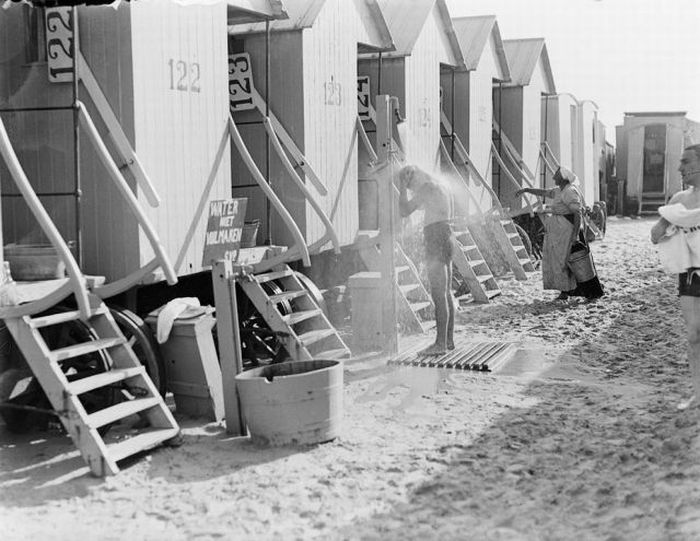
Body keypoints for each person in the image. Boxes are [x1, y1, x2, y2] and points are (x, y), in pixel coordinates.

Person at [651, 143, 700, 410]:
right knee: (694, 335)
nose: (680, 167)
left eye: (686, 161)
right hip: (691, 275)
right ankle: (698, 393)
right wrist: (666, 230)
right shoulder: (679, 200)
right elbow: (657, 233)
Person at [516, 166, 604, 301]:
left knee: (573, 261)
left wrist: (575, 235)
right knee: (559, 261)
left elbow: (577, 214)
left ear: (563, 178)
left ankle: (588, 292)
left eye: (556, 175)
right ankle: (565, 291)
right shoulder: (559, 190)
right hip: (560, 232)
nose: (553, 178)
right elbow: (545, 192)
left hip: (568, 230)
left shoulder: (569, 191)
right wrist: (527, 190)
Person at [398, 165, 455, 355]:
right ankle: (448, 340)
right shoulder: (442, 186)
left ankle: (439, 345)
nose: (412, 189)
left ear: (412, 178)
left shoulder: (427, 187)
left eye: (411, 184)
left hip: (436, 237)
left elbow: (405, 210)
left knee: (439, 294)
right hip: (446, 234)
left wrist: (402, 187)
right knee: (446, 293)